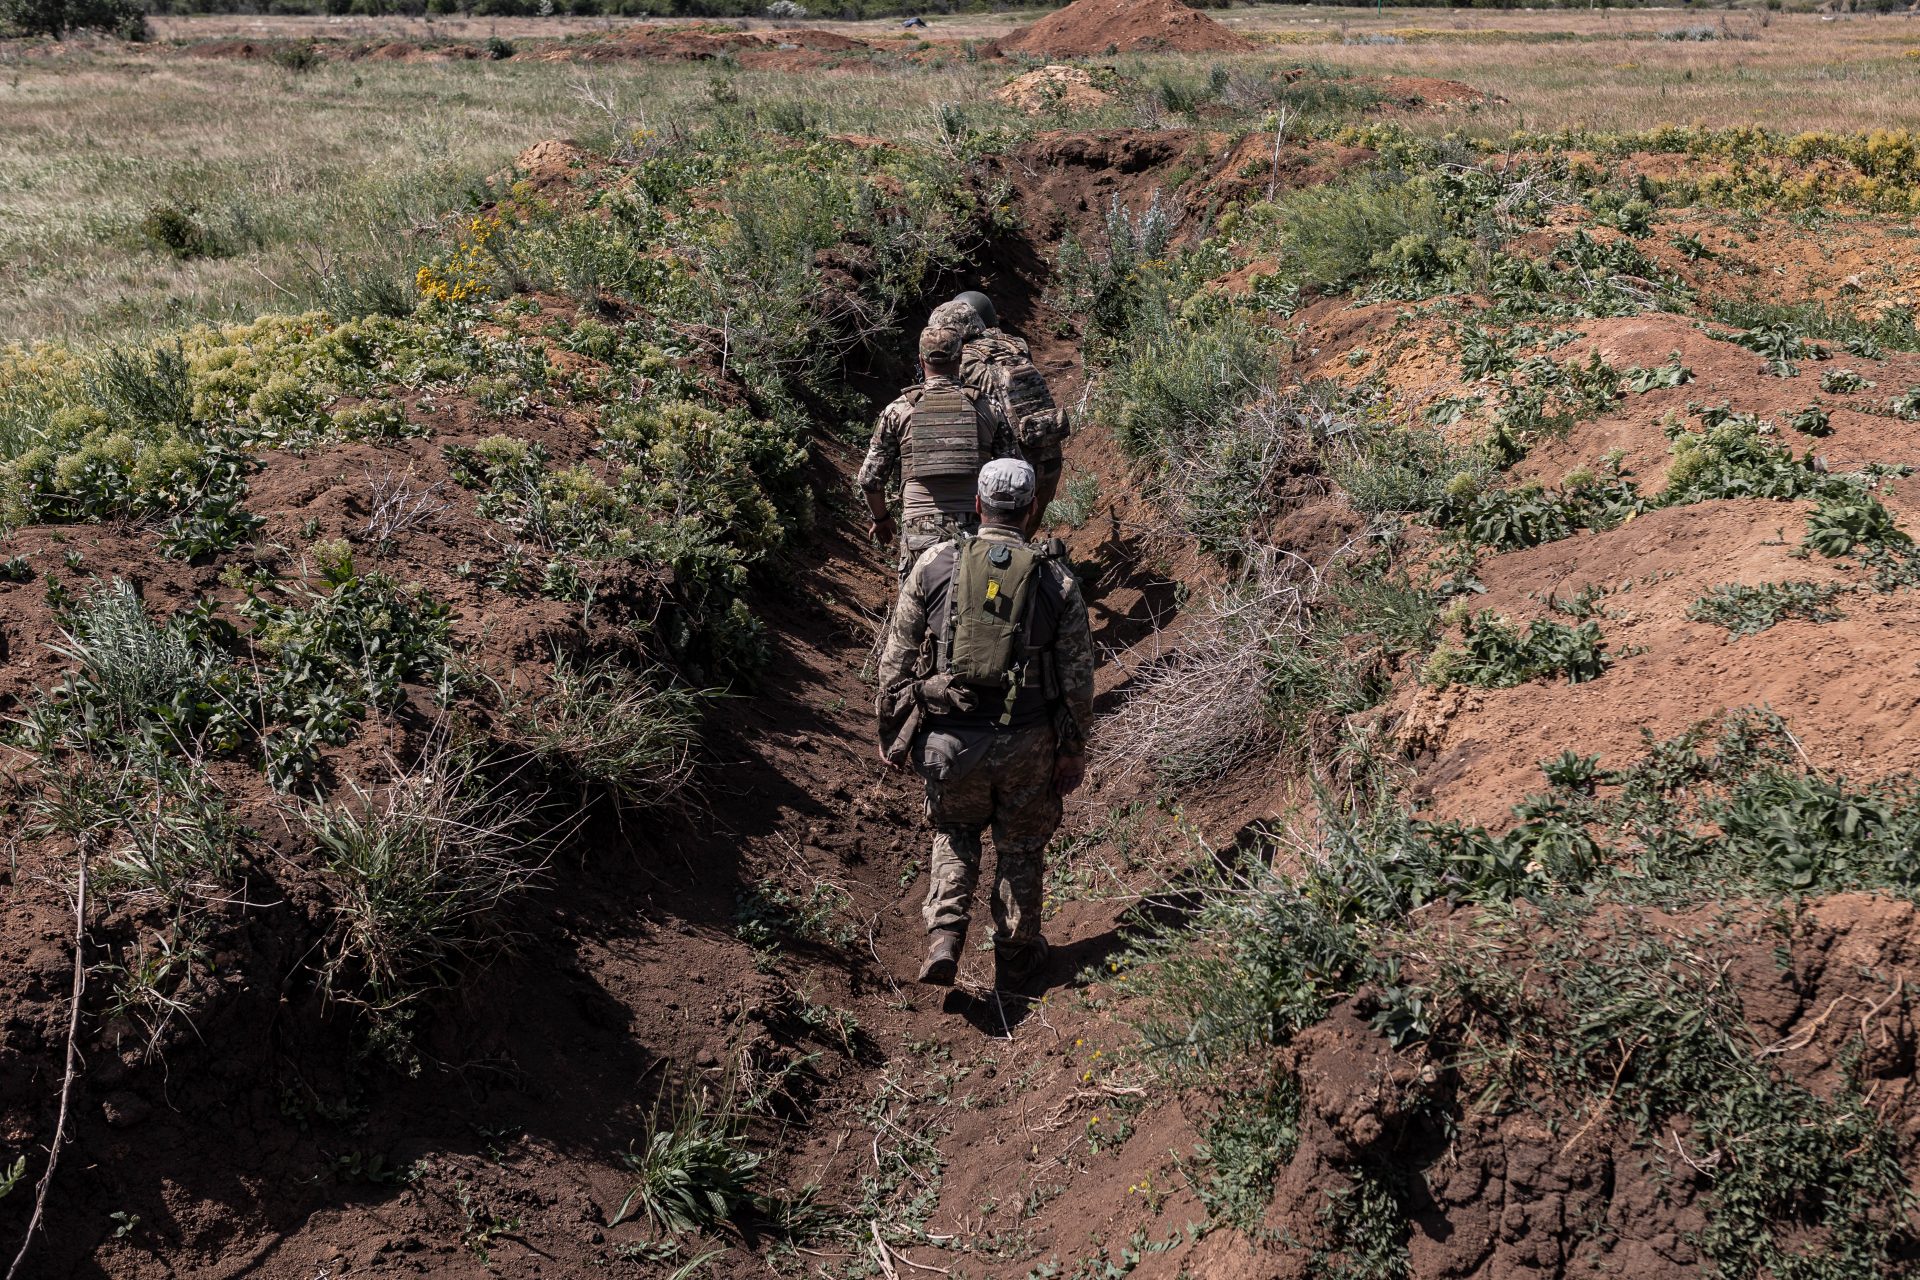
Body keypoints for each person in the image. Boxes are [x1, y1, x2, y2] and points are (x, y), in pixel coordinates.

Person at [874, 457, 1095, 990]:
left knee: (954, 832)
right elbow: (1078, 680)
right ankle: (1016, 956)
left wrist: (891, 732)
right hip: (1029, 742)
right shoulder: (1056, 580)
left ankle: (945, 937)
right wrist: (1072, 749)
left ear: (978, 505)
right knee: (1020, 848)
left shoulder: (932, 564)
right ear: (1031, 509)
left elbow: (894, 664)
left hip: (952, 741)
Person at [857, 325, 1018, 579]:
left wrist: (881, 518)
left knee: (916, 607)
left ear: (921, 360)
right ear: (960, 359)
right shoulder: (989, 407)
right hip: (977, 528)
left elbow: (869, 480)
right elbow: (1012, 473)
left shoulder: (898, 410)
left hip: (921, 530)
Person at [929, 290, 1073, 518]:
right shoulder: (1016, 344)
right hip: (1049, 452)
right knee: (1023, 530)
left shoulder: (964, 360)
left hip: (1010, 466)